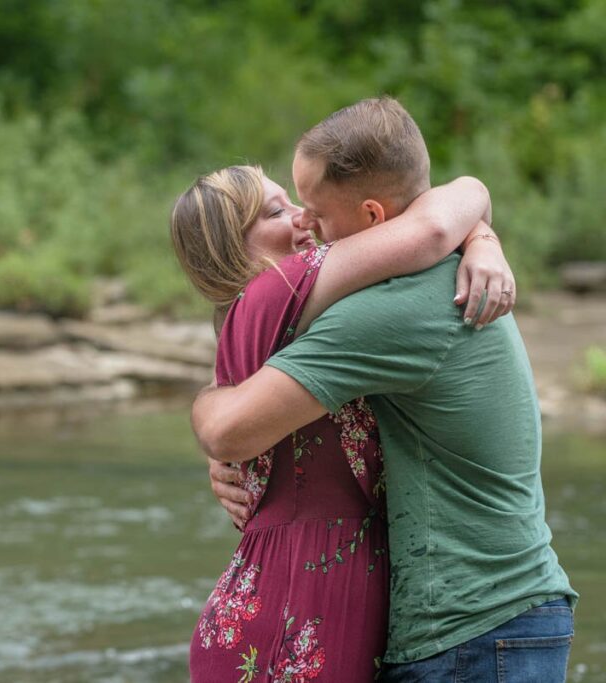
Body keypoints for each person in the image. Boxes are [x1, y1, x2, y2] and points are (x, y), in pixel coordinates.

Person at [195, 97, 577, 682]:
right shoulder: (412, 281)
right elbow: (434, 215)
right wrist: (479, 230)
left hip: (472, 629)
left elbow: (228, 427)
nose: (305, 222)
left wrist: (210, 418)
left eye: (314, 210)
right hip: (476, 622)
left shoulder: (389, 311)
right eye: (282, 211)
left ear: (374, 217)